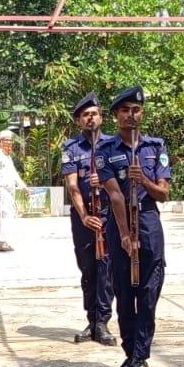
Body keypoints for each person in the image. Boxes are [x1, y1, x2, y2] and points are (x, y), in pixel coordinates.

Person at [99, 86, 170, 367]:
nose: (131, 115)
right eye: (125, 109)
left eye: (136, 109)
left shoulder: (155, 147)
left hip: (149, 219)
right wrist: (126, 235)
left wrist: (147, 181)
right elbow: (114, 195)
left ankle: (140, 357)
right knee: (125, 294)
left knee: (149, 293)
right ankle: (131, 354)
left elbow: (164, 193)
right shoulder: (105, 151)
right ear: (115, 115)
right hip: (119, 223)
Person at [61, 92, 116, 346]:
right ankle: (91, 320)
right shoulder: (71, 148)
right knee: (87, 269)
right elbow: (72, 186)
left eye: (93, 114)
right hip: (83, 217)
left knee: (106, 268)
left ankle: (103, 322)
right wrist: (84, 216)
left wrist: (104, 181)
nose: (90, 119)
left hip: (109, 215)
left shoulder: (113, 145)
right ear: (78, 121)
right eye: (85, 115)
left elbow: (122, 184)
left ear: (101, 117)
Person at [0, 129, 30, 252]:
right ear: (0, 142)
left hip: (9, 191)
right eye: (6, 141)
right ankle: (1, 242)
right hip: (0, 190)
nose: (9, 143)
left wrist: (23, 186)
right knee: (4, 215)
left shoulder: (7, 156)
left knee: (9, 215)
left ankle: (3, 240)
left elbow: (14, 174)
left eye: (11, 141)